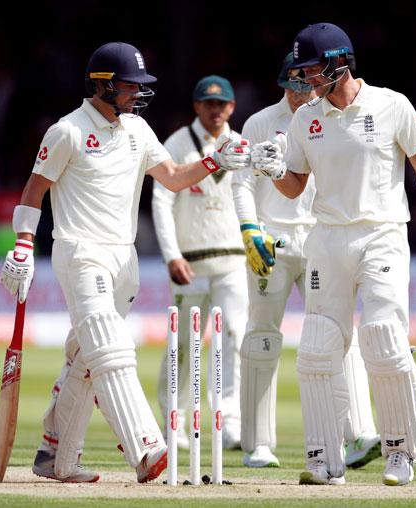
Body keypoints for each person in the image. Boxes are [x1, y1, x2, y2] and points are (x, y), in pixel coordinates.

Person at [0, 42, 250, 483]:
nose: (138, 92)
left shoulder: (138, 129)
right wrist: (23, 243)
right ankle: (148, 448)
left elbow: (172, 177)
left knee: (87, 358)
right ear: (104, 84)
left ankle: (56, 456)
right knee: (112, 352)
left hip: (124, 257)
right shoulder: (68, 131)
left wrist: (214, 160)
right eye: (131, 85)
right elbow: (34, 190)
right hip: (81, 252)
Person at [250, 23, 416, 486]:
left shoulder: (392, 105)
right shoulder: (305, 118)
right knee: (316, 348)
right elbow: (294, 187)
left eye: (313, 70)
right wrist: (273, 169)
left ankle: (399, 452)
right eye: (302, 72)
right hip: (326, 238)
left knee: (382, 338)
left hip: (382, 234)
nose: (306, 80)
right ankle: (323, 460)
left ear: (339, 61)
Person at [233, 53, 380, 469]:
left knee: (336, 333)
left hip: (317, 240)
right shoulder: (260, 122)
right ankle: (257, 443)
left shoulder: (328, 117)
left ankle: (359, 432)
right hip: (271, 243)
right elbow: (242, 183)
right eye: (293, 86)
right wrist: (249, 230)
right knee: (262, 337)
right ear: (283, 84)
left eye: (306, 85)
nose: (301, 94)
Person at [152, 75, 248, 450]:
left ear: (232, 107)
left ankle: (229, 424)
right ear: (196, 106)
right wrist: (171, 254)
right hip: (190, 262)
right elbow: (161, 202)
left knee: (234, 341)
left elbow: (250, 196)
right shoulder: (177, 143)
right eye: (209, 103)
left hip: (233, 260)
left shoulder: (240, 144)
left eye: (222, 103)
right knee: (182, 344)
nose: (216, 109)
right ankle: (174, 424)